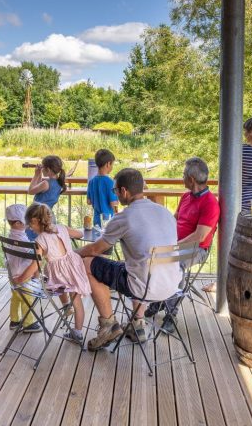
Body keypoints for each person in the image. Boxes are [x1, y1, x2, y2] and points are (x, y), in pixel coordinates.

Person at [78, 168, 182, 350]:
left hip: (144, 287)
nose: (115, 194)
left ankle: (108, 326)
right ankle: (137, 325)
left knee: (88, 263)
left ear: (124, 191)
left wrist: (75, 253)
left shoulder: (125, 217)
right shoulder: (164, 211)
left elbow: (96, 249)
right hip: (172, 285)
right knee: (134, 266)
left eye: (115, 190)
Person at [146, 157, 220, 332]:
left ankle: (171, 314)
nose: (182, 178)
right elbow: (175, 220)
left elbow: (200, 237)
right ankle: (158, 301)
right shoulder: (186, 196)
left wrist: (173, 247)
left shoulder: (210, 203)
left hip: (197, 249)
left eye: (183, 175)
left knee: (174, 265)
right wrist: (161, 235)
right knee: (151, 257)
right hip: (178, 244)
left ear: (191, 179)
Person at [18, 203, 90, 345]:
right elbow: (80, 234)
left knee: (52, 276)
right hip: (74, 268)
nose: (30, 229)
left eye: (30, 226)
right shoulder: (62, 228)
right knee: (77, 300)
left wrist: (20, 279)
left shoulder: (40, 240)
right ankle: (78, 332)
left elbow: (35, 265)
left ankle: (65, 306)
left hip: (58, 276)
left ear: (34, 221)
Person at [3, 204, 41, 334]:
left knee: (16, 297)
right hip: (22, 275)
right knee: (27, 298)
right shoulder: (21, 239)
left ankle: (14, 321)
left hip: (12, 274)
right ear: (19, 223)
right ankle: (29, 323)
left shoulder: (11, 236)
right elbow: (33, 254)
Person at [86, 148, 118, 228]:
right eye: (112, 164)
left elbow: (89, 201)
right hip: (108, 221)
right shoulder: (110, 182)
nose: (112, 167)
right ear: (108, 164)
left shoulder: (91, 182)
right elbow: (113, 203)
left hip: (96, 220)